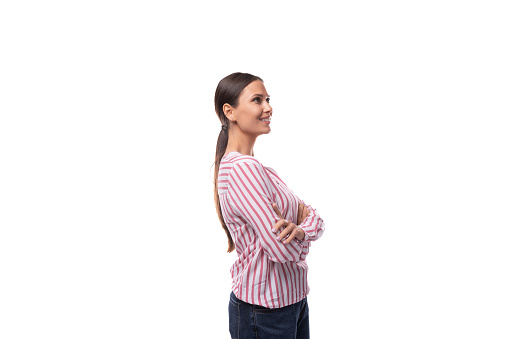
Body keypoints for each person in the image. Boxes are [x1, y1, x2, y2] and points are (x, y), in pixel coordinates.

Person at [213, 72, 325, 339]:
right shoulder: (243, 169)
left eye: (267, 99)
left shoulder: (264, 170)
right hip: (264, 312)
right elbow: (279, 249)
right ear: (230, 111)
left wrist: (300, 229)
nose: (268, 107)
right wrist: (302, 231)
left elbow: (315, 218)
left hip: (291, 303)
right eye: (256, 100)